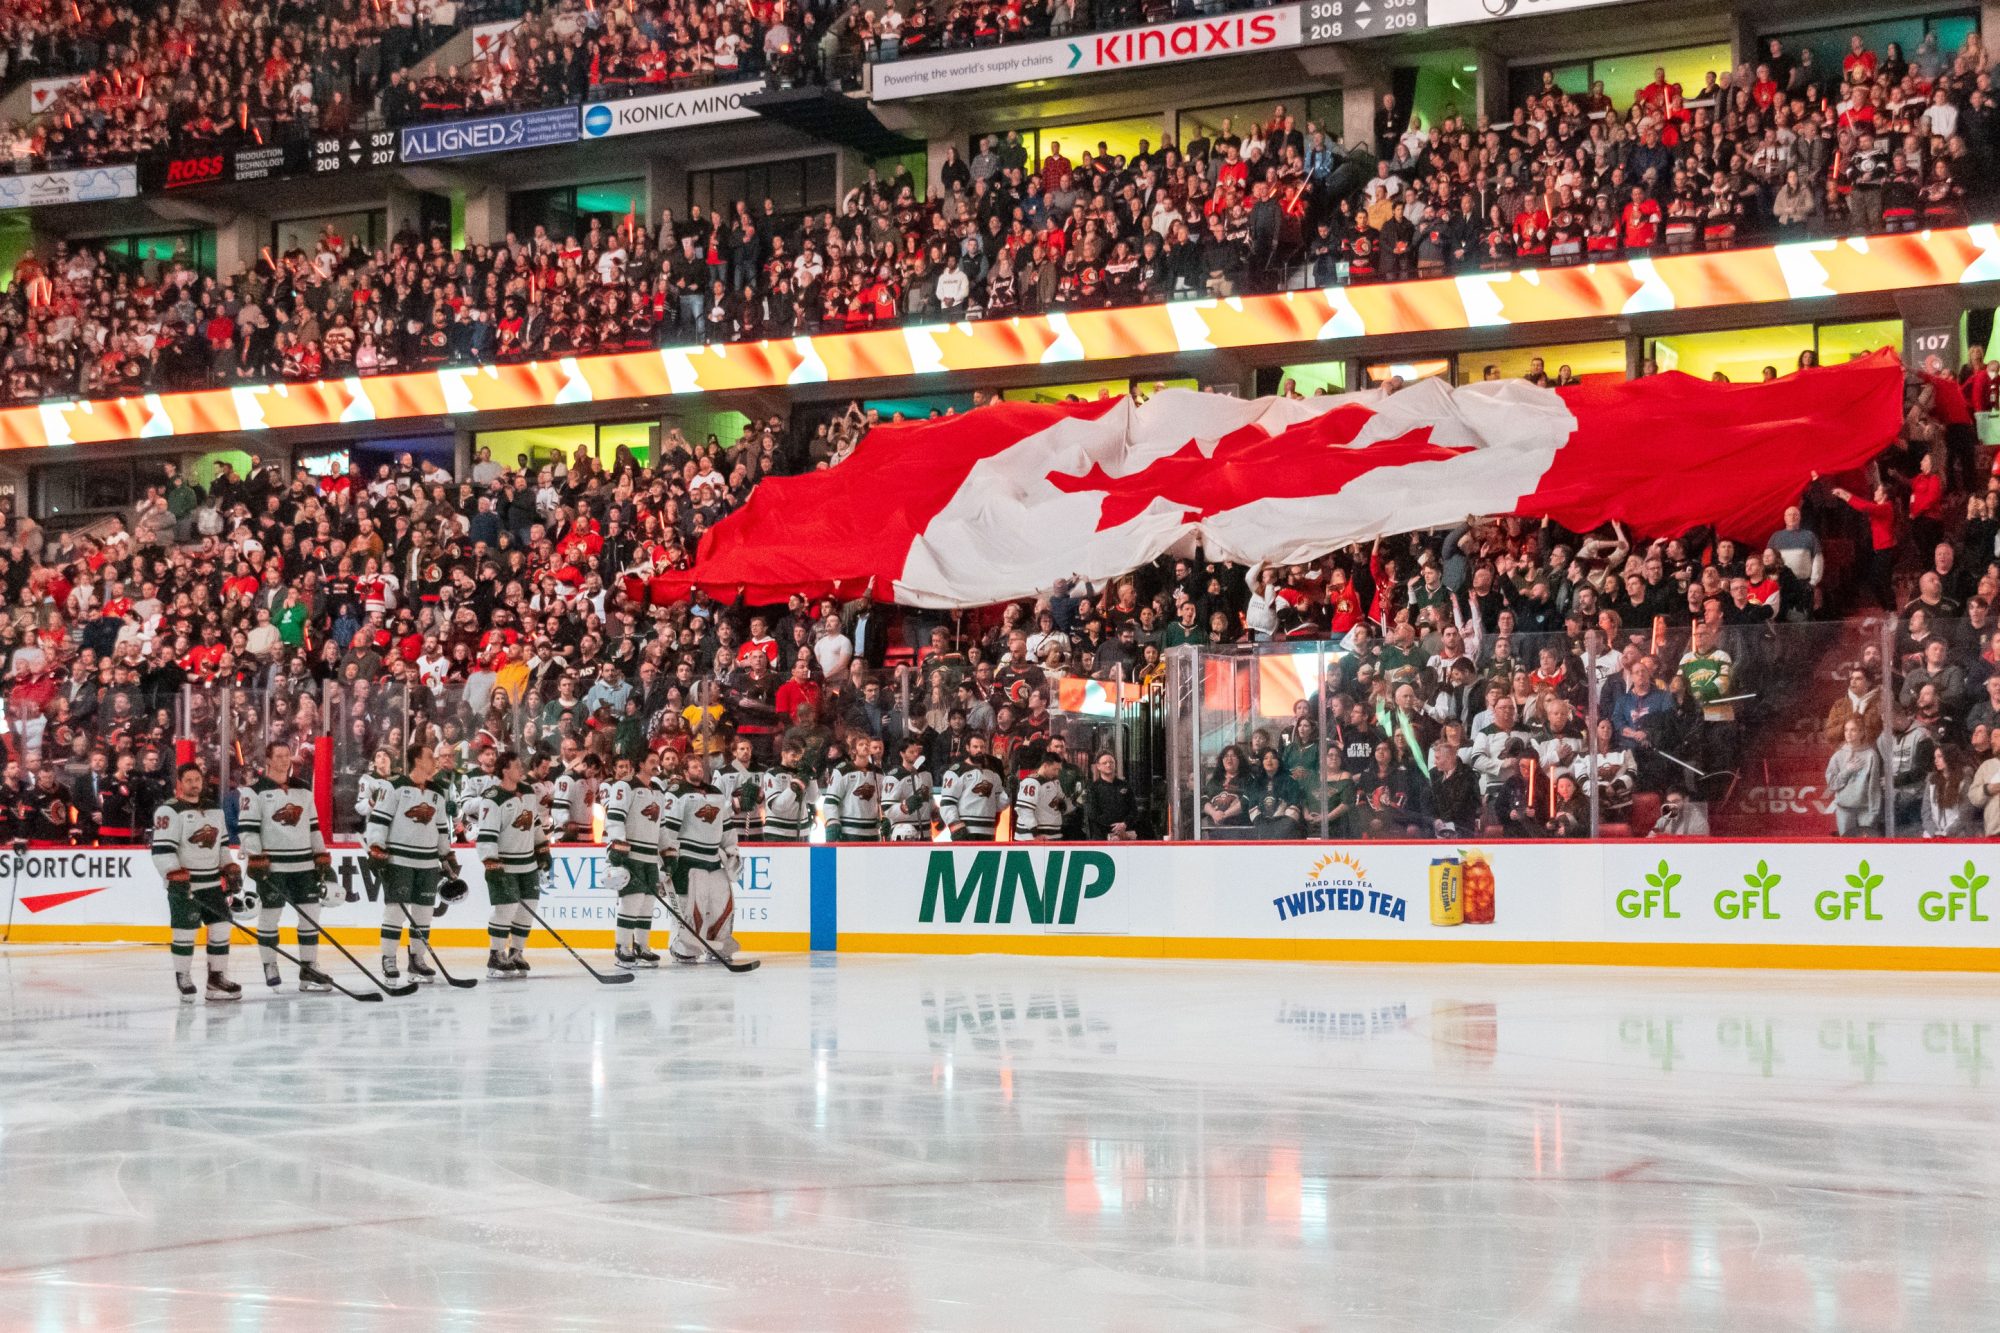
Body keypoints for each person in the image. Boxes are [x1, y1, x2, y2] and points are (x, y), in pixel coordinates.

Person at [236, 741, 335, 994]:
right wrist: (256, 858)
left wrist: (320, 854)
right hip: (273, 865)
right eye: (278, 756)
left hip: (303, 864)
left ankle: (309, 968)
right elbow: (248, 830)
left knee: (311, 915)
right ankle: (270, 964)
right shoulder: (253, 792)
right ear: (267, 760)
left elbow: (313, 826)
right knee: (271, 915)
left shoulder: (302, 789)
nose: (283, 760)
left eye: (286, 756)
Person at [151, 762, 241, 1004]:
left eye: (197, 779)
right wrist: (172, 873)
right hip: (186, 885)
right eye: (189, 780)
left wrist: (229, 866)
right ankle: (184, 976)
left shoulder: (214, 809)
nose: (194, 784)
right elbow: (161, 850)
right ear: (180, 783)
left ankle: (216, 978)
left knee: (221, 928)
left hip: (212, 883)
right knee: (185, 932)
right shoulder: (168, 811)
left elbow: (222, 846)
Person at [364, 742, 454, 984]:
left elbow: (442, 827)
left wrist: (446, 854)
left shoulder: (437, 792)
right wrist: (376, 848)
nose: (434, 760)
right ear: (417, 760)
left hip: (427, 862)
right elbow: (379, 820)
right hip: (399, 860)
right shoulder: (393, 787)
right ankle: (389, 958)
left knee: (424, 913)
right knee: (396, 911)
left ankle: (417, 959)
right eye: (429, 756)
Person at [474, 750, 550, 980]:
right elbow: (486, 834)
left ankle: (516, 952)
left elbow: (535, 823)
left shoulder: (528, 792)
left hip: (527, 863)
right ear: (505, 769)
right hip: (503, 864)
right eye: (517, 765)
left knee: (528, 908)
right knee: (505, 909)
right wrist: (491, 862)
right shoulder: (492, 797)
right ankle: (496, 954)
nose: (521, 768)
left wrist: (542, 848)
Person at [661, 754, 742, 963]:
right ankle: (683, 947)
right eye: (694, 766)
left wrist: (731, 850)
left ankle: (718, 944)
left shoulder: (715, 793)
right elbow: (668, 830)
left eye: (700, 766)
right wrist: (666, 859)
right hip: (687, 860)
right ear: (685, 771)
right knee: (688, 906)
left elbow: (726, 826)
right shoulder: (677, 793)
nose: (699, 769)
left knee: (722, 904)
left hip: (713, 859)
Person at [604, 750, 669, 971]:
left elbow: (662, 827)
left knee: (648, 904)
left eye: (657, 762)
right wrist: (618, 846)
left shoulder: (658, 791)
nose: (656, 765)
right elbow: (614, 818)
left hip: (650, 857)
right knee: (631, 901)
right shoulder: (624, 786)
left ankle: (642, 946)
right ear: (639, 763)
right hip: (631, 854)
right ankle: (622, 947)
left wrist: (668, 852)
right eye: (652, 762)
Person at [939, 733, 1010, 840]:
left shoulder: (993, 774)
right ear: (968, 748)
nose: (979, 750)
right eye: (975, 747)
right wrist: (955, 825)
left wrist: (1009, 792)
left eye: (982, 747)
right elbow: (947, 803)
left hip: (988, 830)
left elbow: (998, 805)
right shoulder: (956, 772)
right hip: (965, 830)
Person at [821, 735, 885, 840]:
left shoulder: (878, 773)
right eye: (861, 744)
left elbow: (882, 800)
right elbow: (831, 801)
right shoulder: (842, 771)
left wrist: (885, 817)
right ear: (854, 750)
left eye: (867, 745)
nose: (865, 747)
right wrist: (832, 821)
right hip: (849, 831)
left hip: (873, 831)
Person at [757, 738, 816, 840]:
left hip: (802, 831)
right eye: (793, 755)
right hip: (777, 832)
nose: (797, 759)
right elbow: (778, 807)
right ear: (784, 754)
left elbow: (812, 799)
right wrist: (794, 786)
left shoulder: (802, 773)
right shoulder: (772, 774)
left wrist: (812, 777)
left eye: (799, 756)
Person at [881, 736, 936, 840]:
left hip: (926, 832)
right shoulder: (894, 777)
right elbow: (886, 809)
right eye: (911, 752)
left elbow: (930, 798)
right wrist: (904, 807)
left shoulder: (926, 774)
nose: (916, 754)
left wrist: (935, 812)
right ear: (902, 754)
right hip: (904, 834)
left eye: (917, 751)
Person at [1014, 751, 1070, 840]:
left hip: (1053, 835)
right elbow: (1024, 809)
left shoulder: (1055, 782)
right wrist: (1035, 834)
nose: (1057, 773)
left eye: (1058, 770)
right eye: (1054, 769)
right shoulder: (1031, 782)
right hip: (1032, 837)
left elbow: (1063, 803)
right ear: (1045, 766)